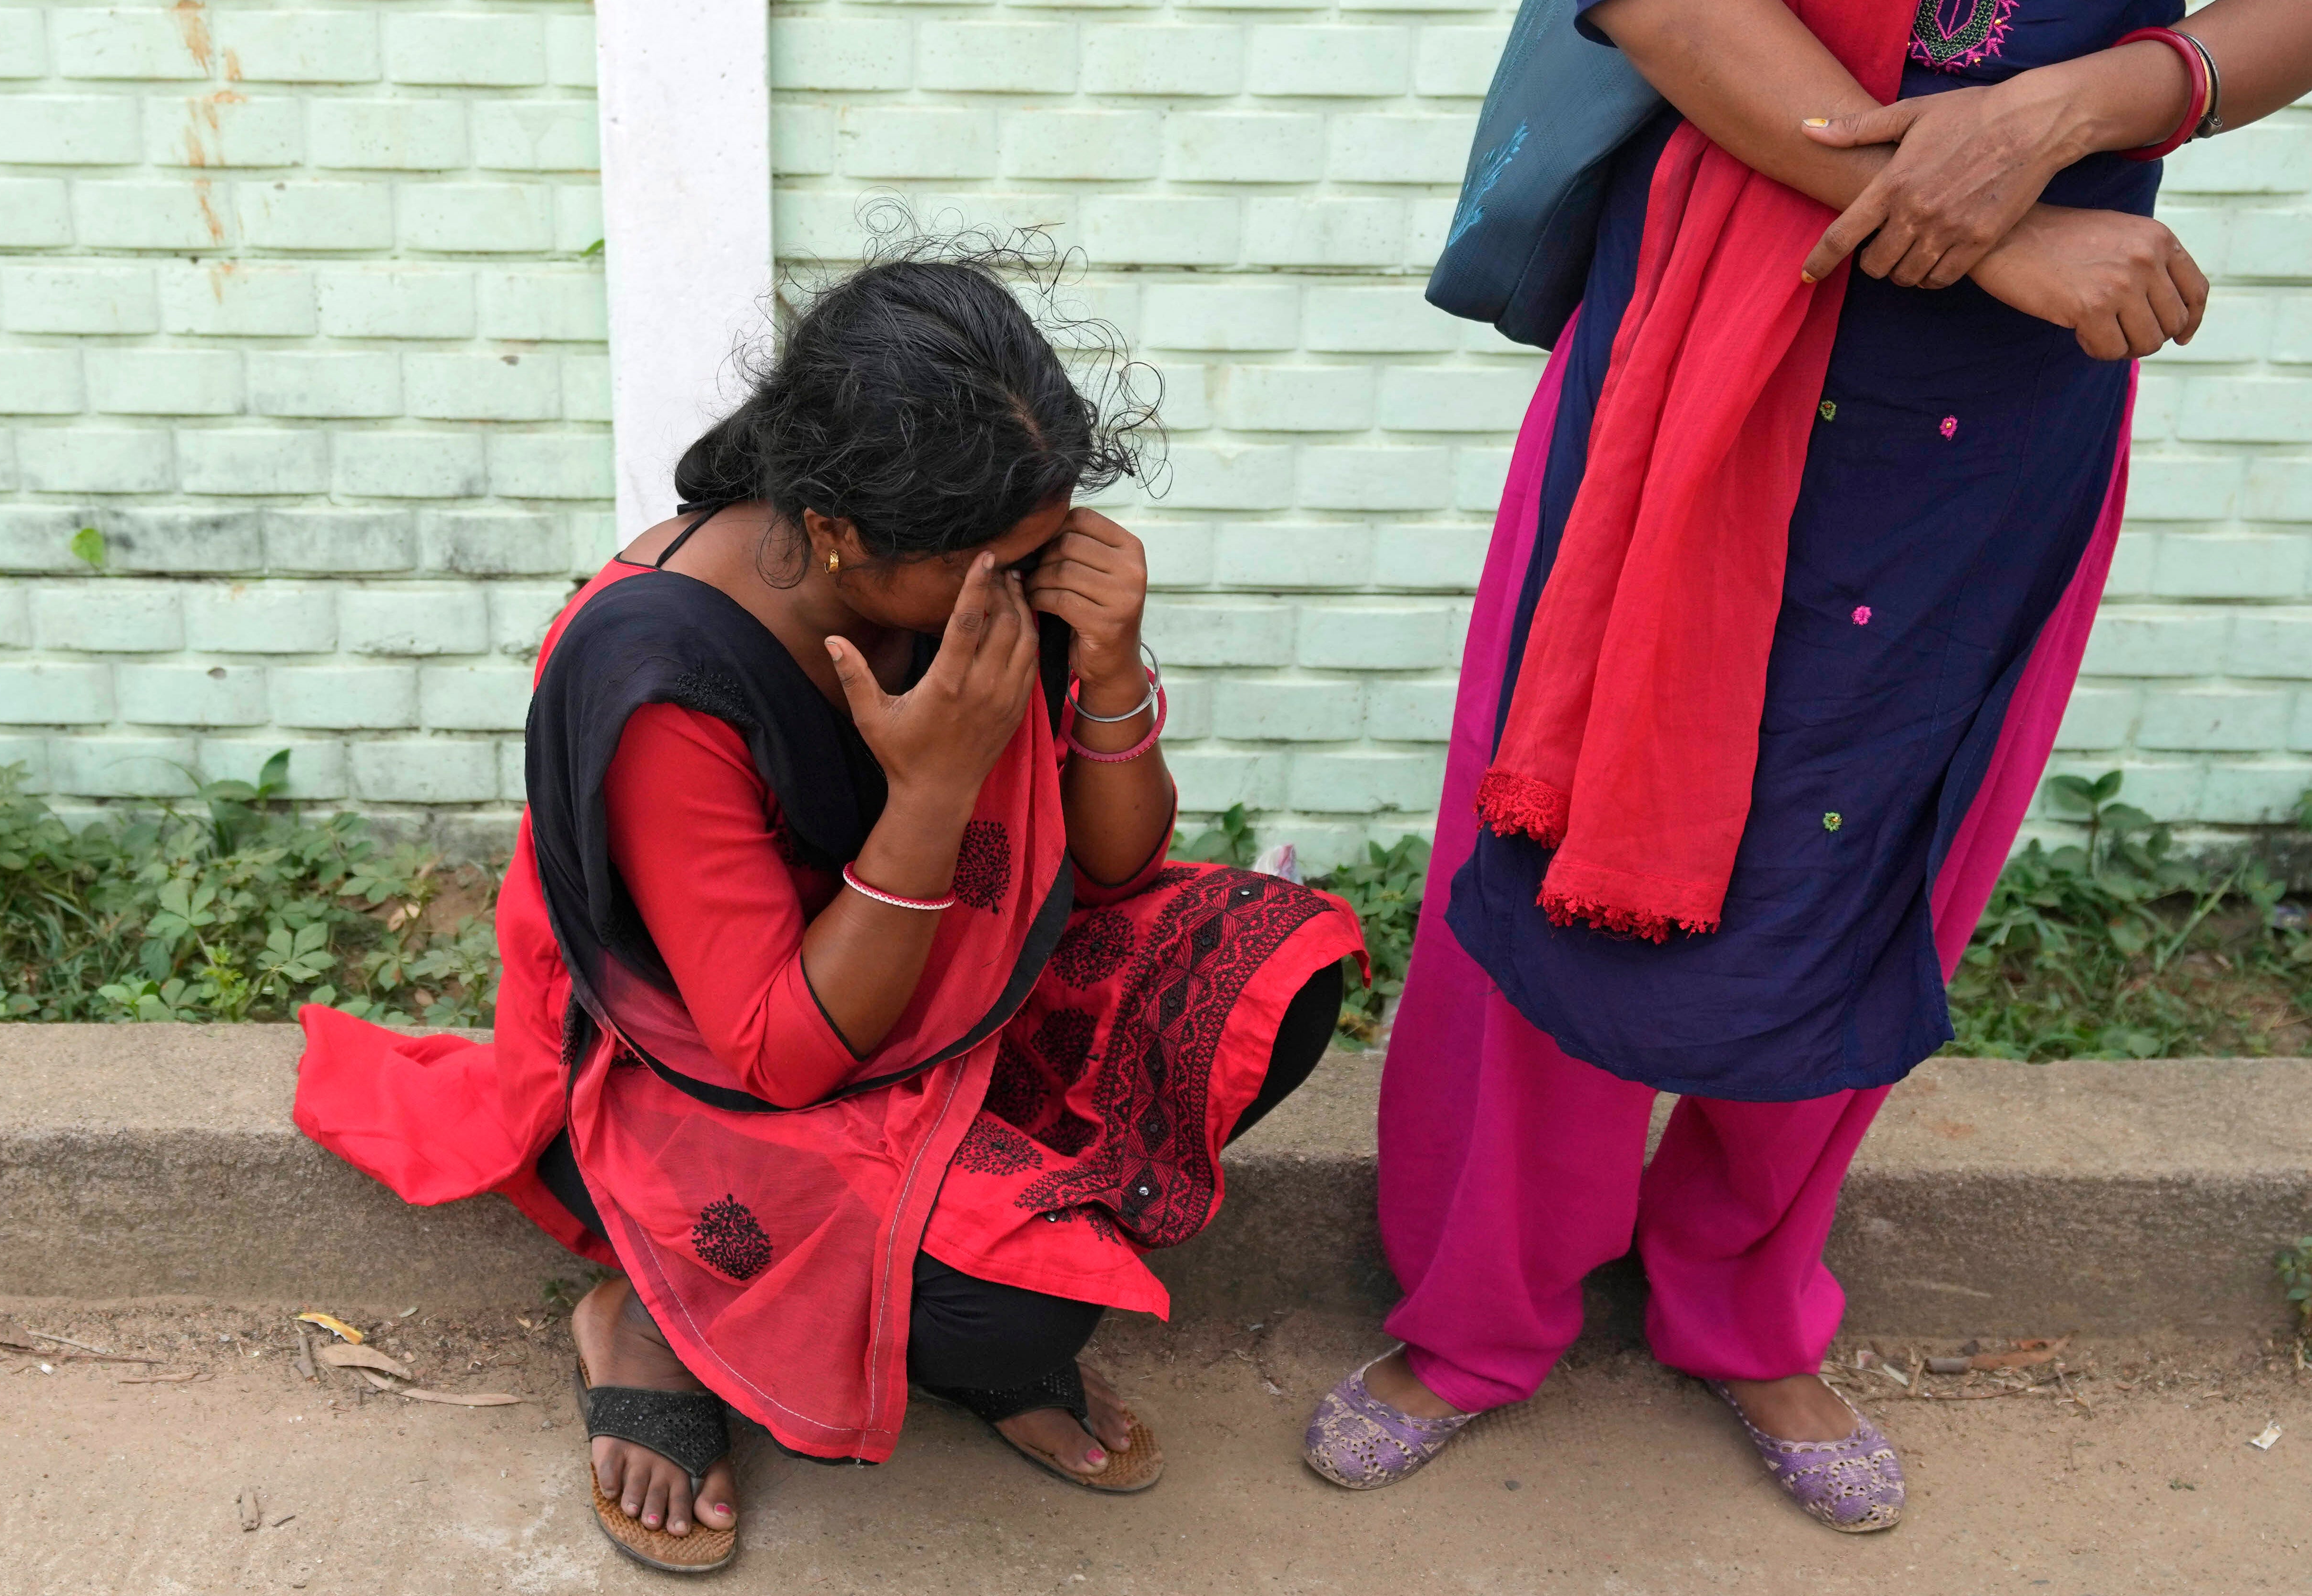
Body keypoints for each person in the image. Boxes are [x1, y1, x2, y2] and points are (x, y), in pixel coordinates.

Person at [1305, 0, 2312, 1534]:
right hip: (1717, 295)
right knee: (1560, 816)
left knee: (1887, 830)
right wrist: (1991, 226)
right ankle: (1482, 1309)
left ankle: (1745, 1297)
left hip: (2018, 383)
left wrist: (2085, 107)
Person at [295, 238, 1364, 1574]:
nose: (1026, 581)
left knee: (1269, 973)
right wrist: (930, 791)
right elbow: (778, 1050)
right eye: (1003, 560)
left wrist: (1111, 664)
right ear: (847, 536)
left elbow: (1113, 872)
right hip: (696, 1076)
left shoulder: (980, 562)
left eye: (1046, 546)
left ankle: (958, 1237)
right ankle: (648, 1314)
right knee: (1012, 1320)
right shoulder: (662, 675)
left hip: (932, 991)